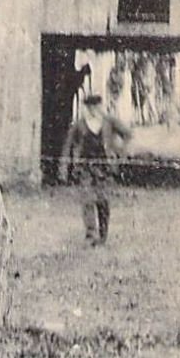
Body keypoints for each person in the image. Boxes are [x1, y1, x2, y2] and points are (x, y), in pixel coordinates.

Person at [60, 91, 132, 245]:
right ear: (86, 107)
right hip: (85, 167)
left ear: (100, 106)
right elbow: (68, 145)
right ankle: (90, 235)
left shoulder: (109, 121)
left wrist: (120, 152)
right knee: (87, 200)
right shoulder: (79, 124)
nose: (93, 109)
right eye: (90, 106)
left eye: (96, 106)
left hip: (104, 168)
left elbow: (127, 134)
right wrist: (64, 167)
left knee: (103, 201)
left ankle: (103, 234)